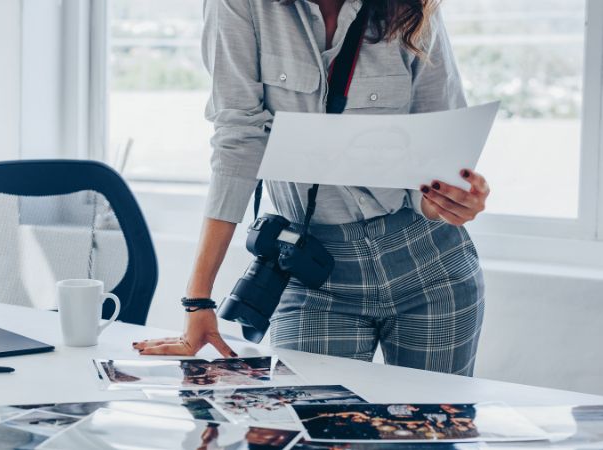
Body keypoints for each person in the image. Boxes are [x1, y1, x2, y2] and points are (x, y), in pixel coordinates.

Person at [133, 0, 489, 376]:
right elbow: (238, 142)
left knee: (431, 431)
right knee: (310, 429)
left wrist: (445, 201)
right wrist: (198, 300)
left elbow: (435, 148)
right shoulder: (239, 5)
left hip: (428, 262)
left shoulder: (413, 7)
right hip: (314, 271)